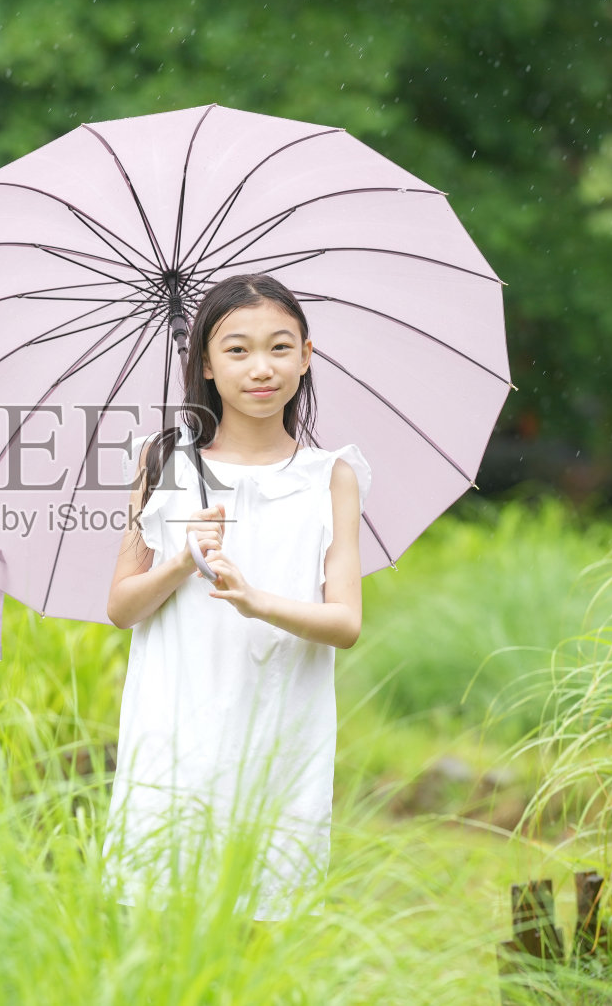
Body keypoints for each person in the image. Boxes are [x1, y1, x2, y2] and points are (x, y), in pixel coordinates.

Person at [103, 272, 370, 921]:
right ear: (205, 363)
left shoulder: (329, 477)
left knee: (263, 922)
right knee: (162, 920)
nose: (261, 368)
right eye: (237, 350)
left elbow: (345, 622)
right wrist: (179, 562)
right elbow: (121, 607)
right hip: (174, 722)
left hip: (280, 724)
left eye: (280, 347)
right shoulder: (162, 463)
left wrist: (256, 600)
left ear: (306, 356)